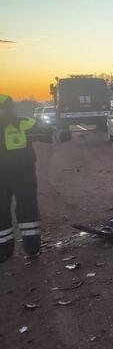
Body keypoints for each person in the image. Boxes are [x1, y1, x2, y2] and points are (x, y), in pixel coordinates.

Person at [0, 95, 44, 262]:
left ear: (9, 108)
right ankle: (4, 250)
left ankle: (32, 248)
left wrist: (61, 134)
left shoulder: (24, 123)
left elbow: (45, 133)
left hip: (23, 174)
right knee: (0, 212)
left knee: (27, 210)